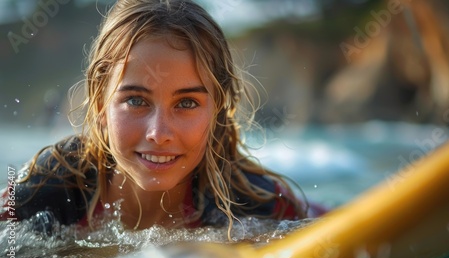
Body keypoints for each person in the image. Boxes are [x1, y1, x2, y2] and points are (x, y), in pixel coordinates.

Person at [1, 0, 325, 237]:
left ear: (217, 111)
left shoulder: (256, 207)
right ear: (100, 106)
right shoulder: (47, 189)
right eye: (137, 100)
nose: (159, 133)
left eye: (186, 103)